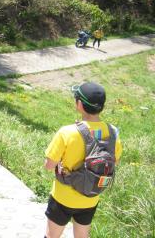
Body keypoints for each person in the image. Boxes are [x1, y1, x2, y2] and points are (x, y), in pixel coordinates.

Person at [43, 82, 122, 238]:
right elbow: (115, 162)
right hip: (91, 196)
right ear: (102, 107)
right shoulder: (113, 132)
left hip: (63, 197)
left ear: (79, 104)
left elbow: (48, 165)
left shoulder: (67, 132)